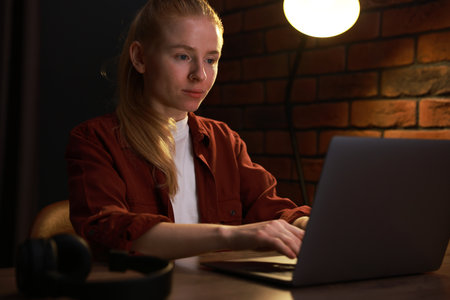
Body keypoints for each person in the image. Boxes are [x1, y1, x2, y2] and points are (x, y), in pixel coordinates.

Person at [66, 0, 310, 261]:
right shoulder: (95, 140)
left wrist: (306, 226)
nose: (200, 75)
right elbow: (108, 229)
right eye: (183, 56)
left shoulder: (224, 140)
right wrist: (229, 235)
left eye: (211, 59)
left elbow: (270, 208)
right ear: (139, 58)